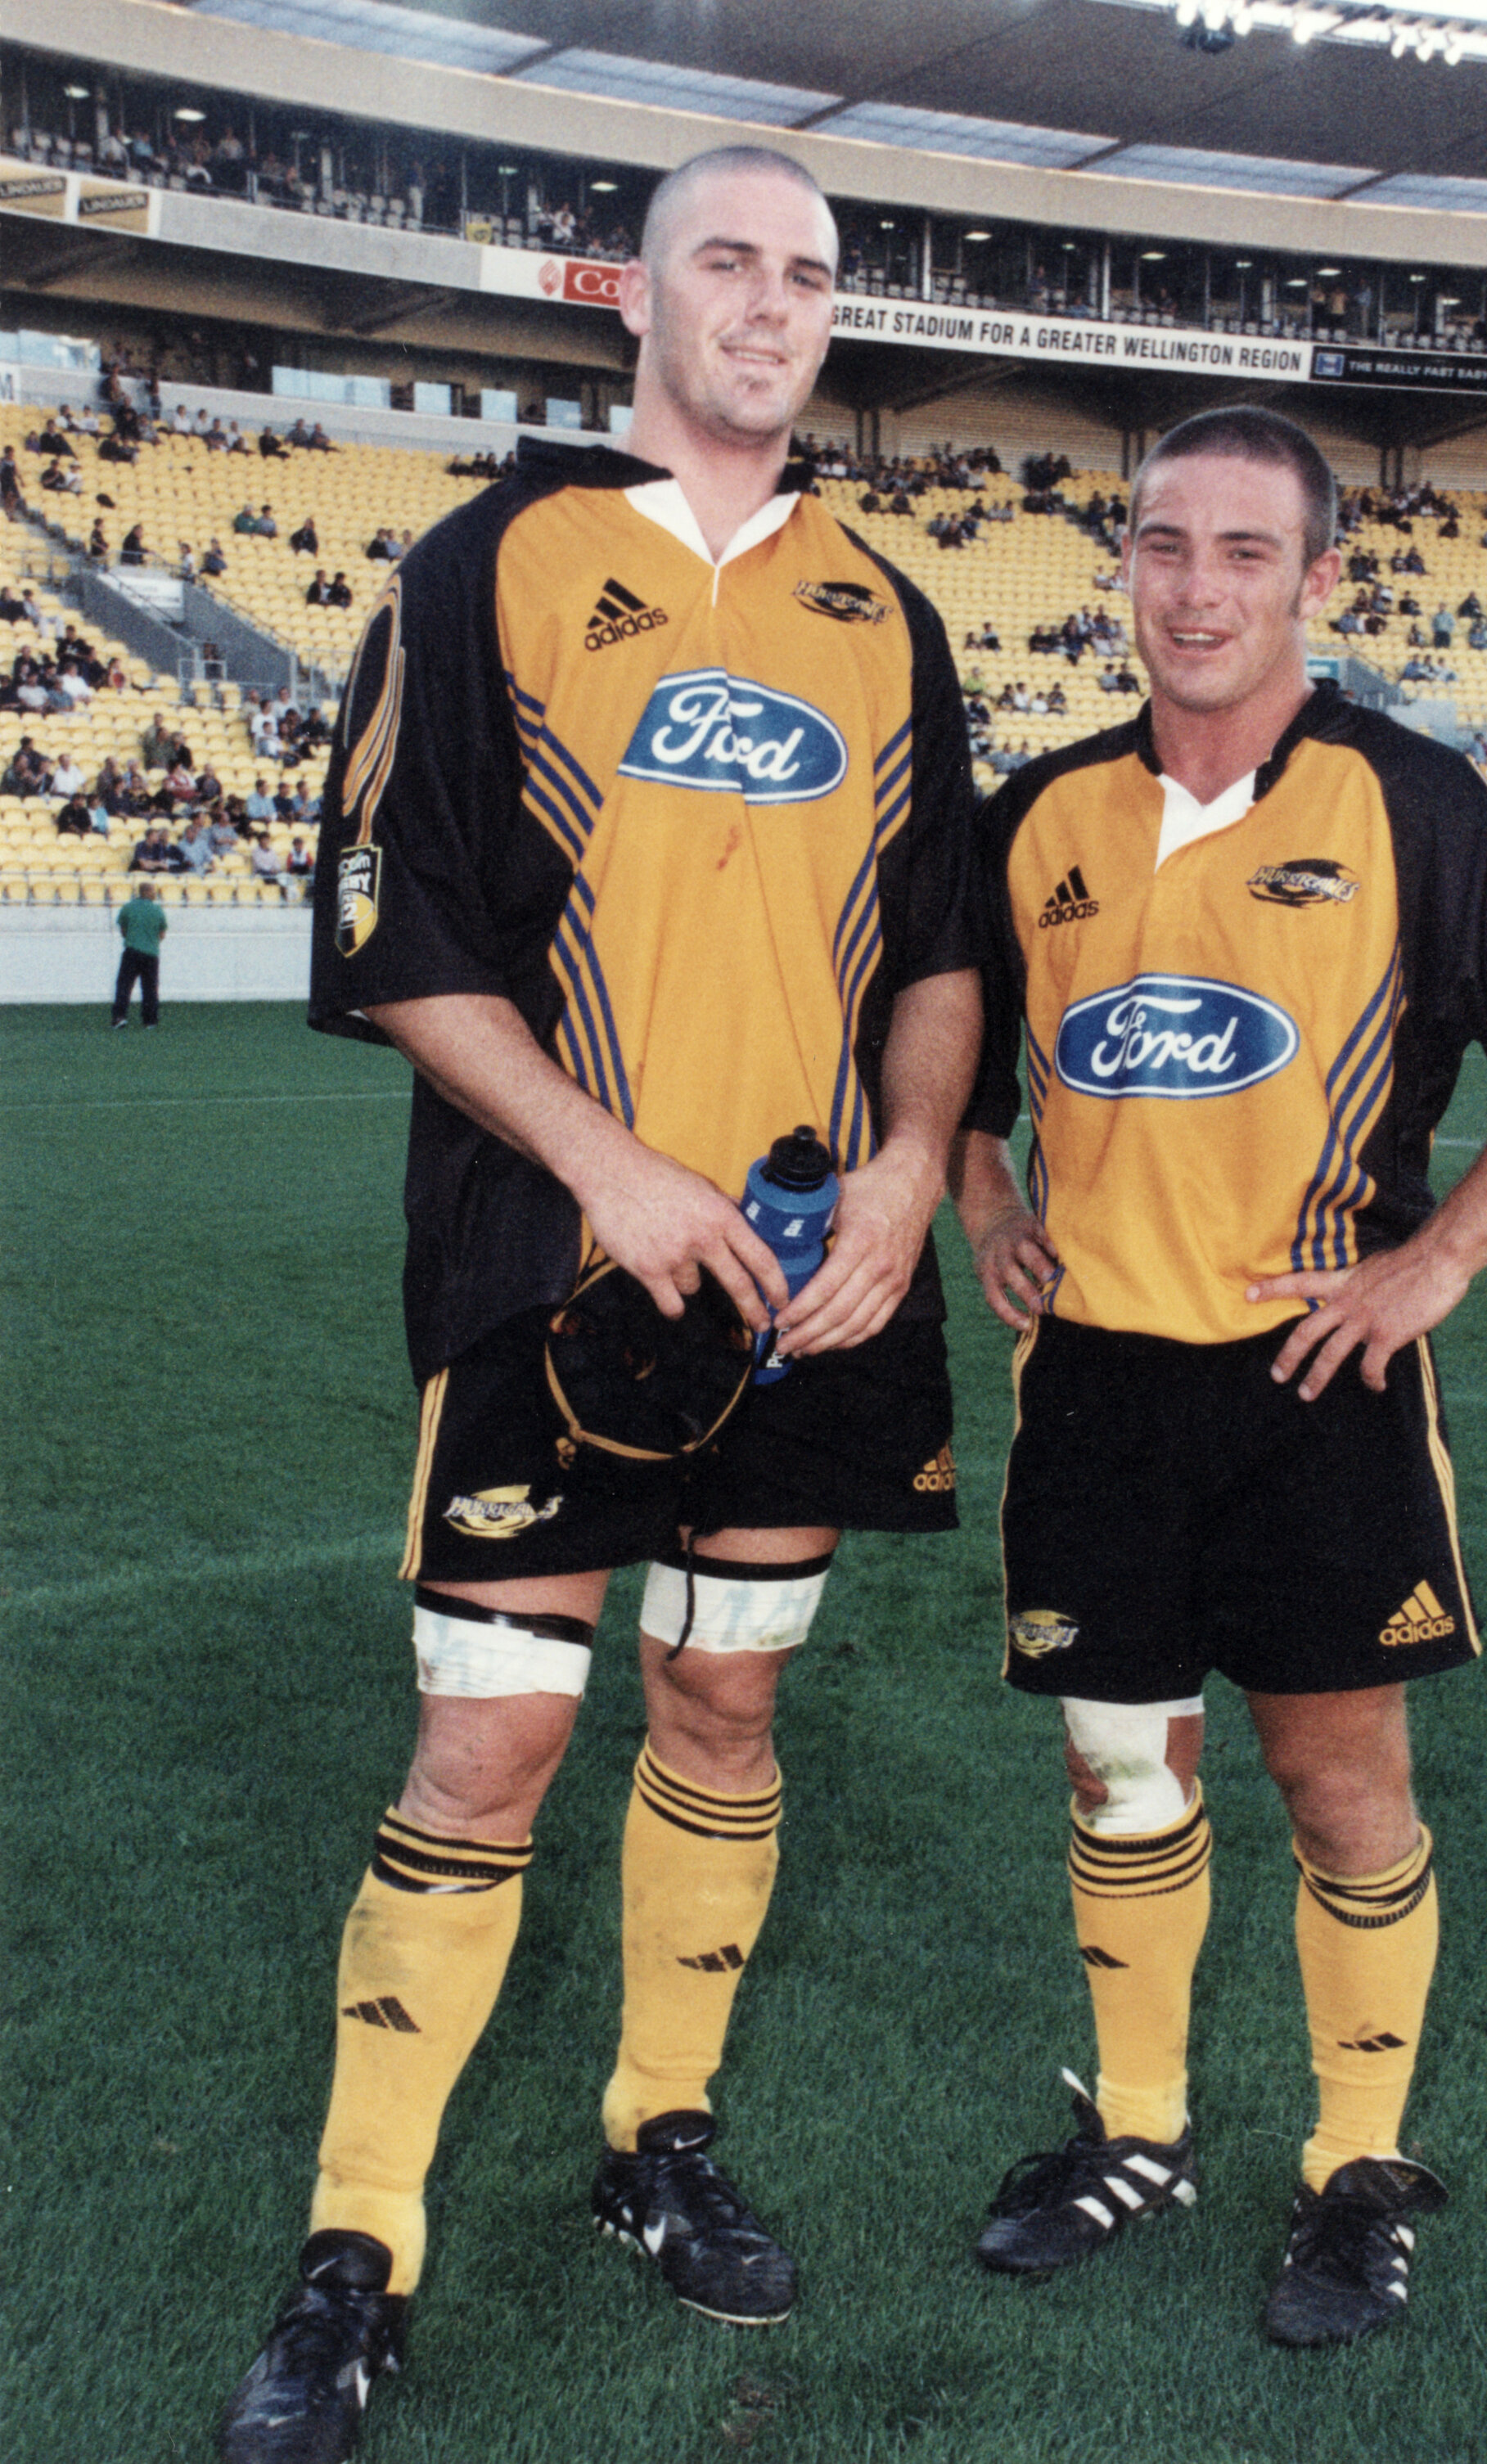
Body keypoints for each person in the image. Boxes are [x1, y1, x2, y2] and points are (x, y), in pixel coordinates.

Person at [216, 142, 979, 2464]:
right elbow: (390, 929)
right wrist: (604, 1161)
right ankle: (359, 2241)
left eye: (806, 275)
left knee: (721, 1715)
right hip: (546, 1267)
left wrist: (916, 1165)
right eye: (724, 263)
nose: (769, 304)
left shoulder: (885, 607)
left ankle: (658, 2130)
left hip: (806, 1290)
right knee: (493, 1742)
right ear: (629, 300)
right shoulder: (489, 565)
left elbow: (942, 949)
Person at [950, 406, 1487, 2353]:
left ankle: (1352, 2166)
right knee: (1117, 1769)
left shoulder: (1418, 800)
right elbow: (935, 1037)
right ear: (1123, 568)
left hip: (1310, 1383)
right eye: (1164, 544)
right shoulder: (1044, 812)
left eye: (1243, 552)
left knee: (1335, 1783)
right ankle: (1140, 2125)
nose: (1194, 587)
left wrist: (1434, 1262)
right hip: (1088, 1385)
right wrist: (985, 1182)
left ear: (1318, 581)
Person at [111, 880, 166, 1026]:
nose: (155, 894)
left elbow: (123, 929)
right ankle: (150, 1020)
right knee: (150, 988)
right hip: (151, 954)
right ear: (147, 892)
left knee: (124, 985)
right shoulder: (157, 910)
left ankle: (119, 1017)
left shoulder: (128, 908)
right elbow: (162, 933)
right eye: (153, 891)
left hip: (132, 952)